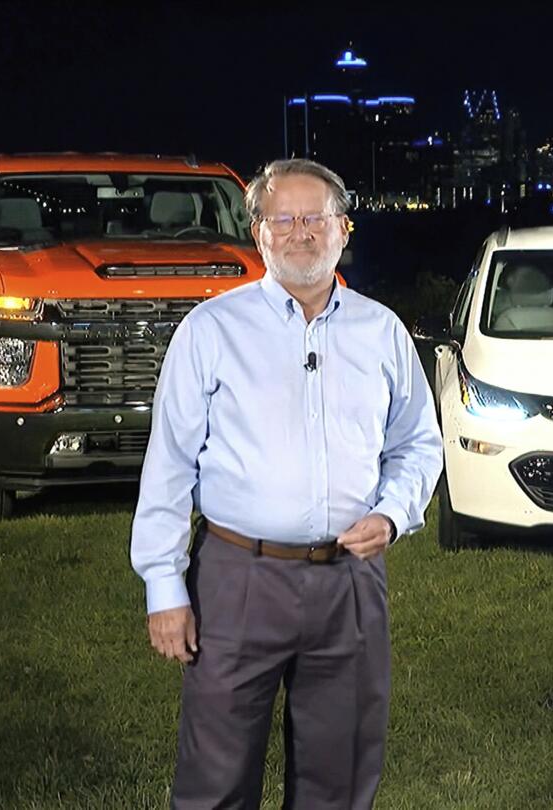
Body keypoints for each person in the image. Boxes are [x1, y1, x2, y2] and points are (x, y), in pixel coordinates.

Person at [131, 158, 444, 809]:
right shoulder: (211, 332)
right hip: (238, 580)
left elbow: (418, 443)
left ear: (344, 229)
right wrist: (165, 586)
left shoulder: (382, 332)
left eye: (316, 218)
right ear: (259, 234)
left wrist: (391, 514)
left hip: (350, 586)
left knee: (341, 777)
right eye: (284, 219)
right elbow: (168, 465)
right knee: (215, 778)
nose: (301, 233)